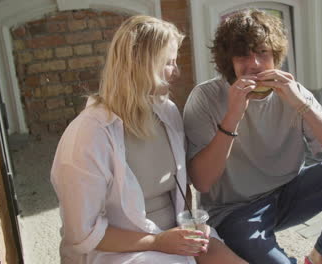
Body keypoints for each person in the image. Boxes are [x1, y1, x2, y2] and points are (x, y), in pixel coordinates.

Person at [183, 10, 322, 264]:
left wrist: (302, 105)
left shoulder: (293, 93)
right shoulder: (206, 98)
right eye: (243, 54)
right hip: (235, 210)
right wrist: (232, 116)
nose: (254, 64)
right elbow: (202, 182)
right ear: (227, 61)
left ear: (275, 56)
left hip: (289, 193)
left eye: (262, 53)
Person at [51, 15, 246, 264]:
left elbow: (180, 184)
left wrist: (192, 224)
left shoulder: (167, 111)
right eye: (168, 62)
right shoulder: (87, 135)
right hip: (119, 250)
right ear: (142, 65)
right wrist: (158, 242)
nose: (176, 71)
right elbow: (82, 234)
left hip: (175, 236)